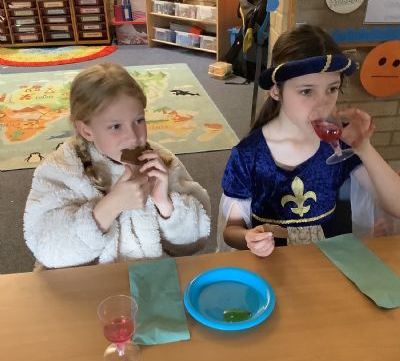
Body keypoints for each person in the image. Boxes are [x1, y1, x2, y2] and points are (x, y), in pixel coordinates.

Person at [218, 24, 400, 257]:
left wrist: (364, 148)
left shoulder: (340, 142)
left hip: (327, 261)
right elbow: (232, 230)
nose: (323, 105)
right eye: (306, 91)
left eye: (332, 89)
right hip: (271, 263)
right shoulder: (248, 155)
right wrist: (249, 238)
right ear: (276, 91)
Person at [24, 62, 211, 269]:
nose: (133, 137)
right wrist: (111, 206)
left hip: (150, 279)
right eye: (115, 126)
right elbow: (48, 248)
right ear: (86, 130)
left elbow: (194, 243)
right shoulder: (61, 169)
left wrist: (165, 204)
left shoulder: (163, 163)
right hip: (89, 283)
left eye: (139, 121)